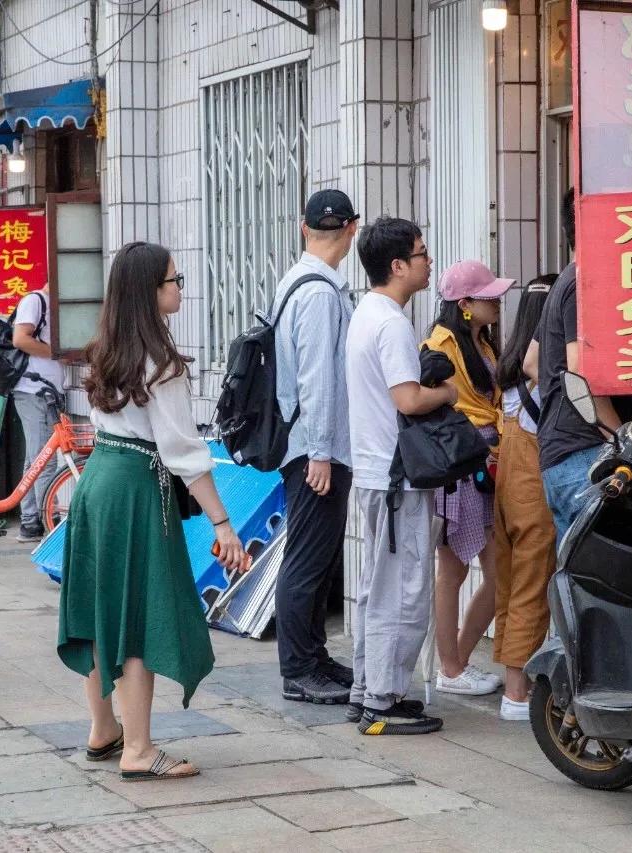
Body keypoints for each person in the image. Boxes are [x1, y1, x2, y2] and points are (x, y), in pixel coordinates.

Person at [57, 241, 249, 781]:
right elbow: (185, 452)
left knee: (101, 609)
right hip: (138, 487)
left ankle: (104, 730)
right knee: (138, 616)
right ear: (149, 291)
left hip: (99, 483)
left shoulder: (106, 349)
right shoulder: (160, 363)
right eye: (173, 279)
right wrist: (222, 523)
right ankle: (138, 750)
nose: (179, 287)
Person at [346, 216, 456, 736]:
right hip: (398, 478)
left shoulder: (366, 312)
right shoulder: (390, 322)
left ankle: (367, 690)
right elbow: (408, 399)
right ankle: (382, 703)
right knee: (404, 588)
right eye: (421, 252)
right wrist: (448, 396)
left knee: (378, 585)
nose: (428, 260)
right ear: (397, 266)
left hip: (376, 473)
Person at [272, 189, 359, 705]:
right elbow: (317, 381)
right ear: (352, 230)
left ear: (303, 228)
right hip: (314, 450)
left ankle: (314, 658)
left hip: (307, 446)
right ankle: (299, 668)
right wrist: (322, 453)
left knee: (318, 558)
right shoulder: (321, 293)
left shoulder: (297, 283)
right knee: (307, 559)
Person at [423, 260, 513, 698]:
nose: (496, 302)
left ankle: (455, 663)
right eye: (487, 296)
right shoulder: (440, 344)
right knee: (454, 570)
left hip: (484, 459)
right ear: (464, 304)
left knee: (492, 570)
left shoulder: (480, 341)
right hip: (461, 464)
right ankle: (452, 668)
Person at [525, 190, 632, 535]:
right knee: (607, 580)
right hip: (584, 455)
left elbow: (531, 362)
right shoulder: (582, 283)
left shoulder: (565, 280)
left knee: (577, 579)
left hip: (560, 456)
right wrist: (621, 438)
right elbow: (579, 373)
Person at [491, 275, 557, 721]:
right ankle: (517, 692)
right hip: (532, 490)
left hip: (505, 489)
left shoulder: (509, 373)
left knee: (509, 585)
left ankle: (514, 683)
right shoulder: (542, 374)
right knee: (532, 587)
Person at [11, 285, 64, 542]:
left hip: (43, 391)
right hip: (33, 391)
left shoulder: (55, 306)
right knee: (45, 461)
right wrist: (57, 352)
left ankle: (30, 522)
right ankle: (48, 523)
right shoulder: (35, 301)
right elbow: (20, 339)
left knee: (35, 459)